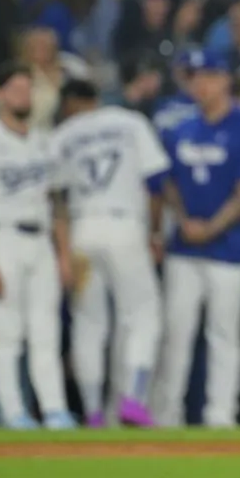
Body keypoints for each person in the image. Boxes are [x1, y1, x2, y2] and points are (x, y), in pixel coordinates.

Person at [150, 48, 240, 428]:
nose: (200, 83)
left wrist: (209, 227)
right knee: (175, 333)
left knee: (223, 335)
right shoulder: (179, 127)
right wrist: (182, 220)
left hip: (228, 249)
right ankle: (164, 415)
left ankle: (220, 416)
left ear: (225, 80)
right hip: (184, 248)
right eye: (195, 76)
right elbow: (164, 182)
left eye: (208, 75)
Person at [0, 62, 77, 430]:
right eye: (16, 89)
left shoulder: (44, 140)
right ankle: (12, 411)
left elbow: (57, 201)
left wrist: (64, 253)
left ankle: (55, 410)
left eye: (27, 89)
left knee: (46, 331)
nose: (23, 96)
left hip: (40, 239)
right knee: (7, 333)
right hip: (2, 238)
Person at [50, 78, 170, 428]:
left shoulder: (63, 135)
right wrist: (156, 232)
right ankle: (133, 399)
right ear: (96, 97)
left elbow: (55, 199)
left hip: (82, 230)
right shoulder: (129, 122)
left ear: (69, 103)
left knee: (89, 323)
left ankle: (92, 412)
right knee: (143, 315)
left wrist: (62, 252)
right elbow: (156, 182)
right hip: (124, 226)